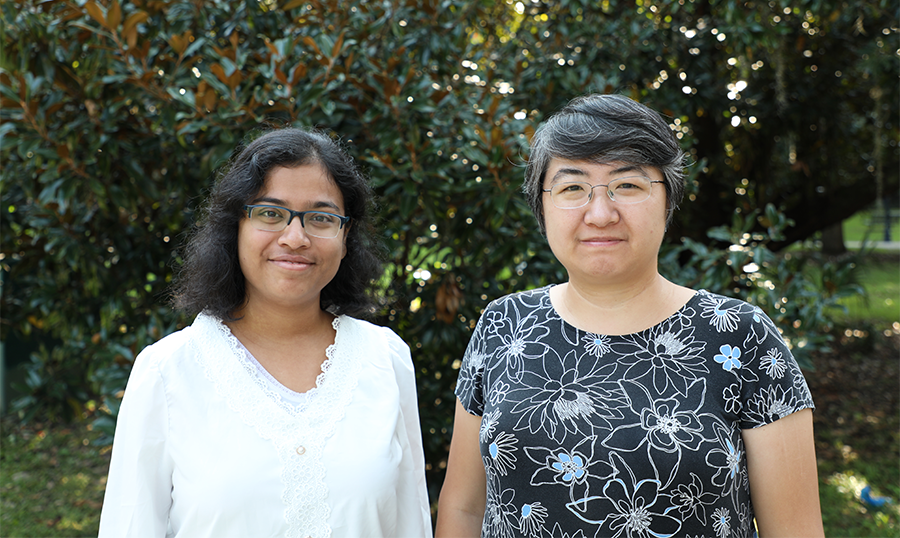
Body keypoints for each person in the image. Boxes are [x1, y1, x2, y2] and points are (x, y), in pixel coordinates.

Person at [435, 94, 824, 538]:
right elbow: (463, 509)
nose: (600, 214)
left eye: (628, 185)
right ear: (541, 205)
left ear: (668, 200)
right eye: (572, 188)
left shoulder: (741, 336)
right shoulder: (504, 325)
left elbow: (796, 530)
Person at [99, 127, 433, 537]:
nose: (295, 238)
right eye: (270, 213)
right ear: (234, 227)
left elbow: (411, 524)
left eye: (322, 218)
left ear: (346, 237)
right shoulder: (167, 371)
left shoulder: (385, 358)